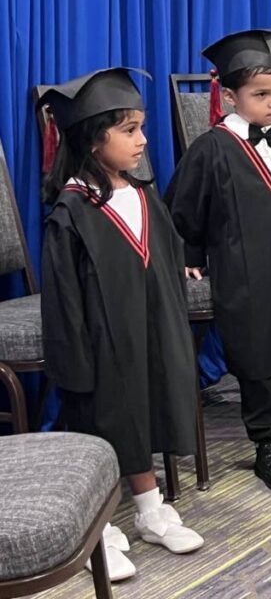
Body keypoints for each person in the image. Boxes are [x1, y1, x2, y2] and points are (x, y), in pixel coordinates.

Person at [39, 68, 203, 583]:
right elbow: (63, 299)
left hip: (150, 331)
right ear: (92, 138)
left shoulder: (141, 194)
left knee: (148, 413)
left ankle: (151, 508)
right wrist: (75, 363)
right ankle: (102, 525)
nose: (143, 140)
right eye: (129, 129)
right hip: (101, 347)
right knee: (107, 421)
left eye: (141, 126)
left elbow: (165, 252)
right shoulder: (72, 212)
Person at [165, 30, 271, 494]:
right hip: (242, 270)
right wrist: (190, 254)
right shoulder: (211, 148)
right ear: (230, 96)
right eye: (261, 95)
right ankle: (267, 444)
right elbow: (183, 208)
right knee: (258, 355)